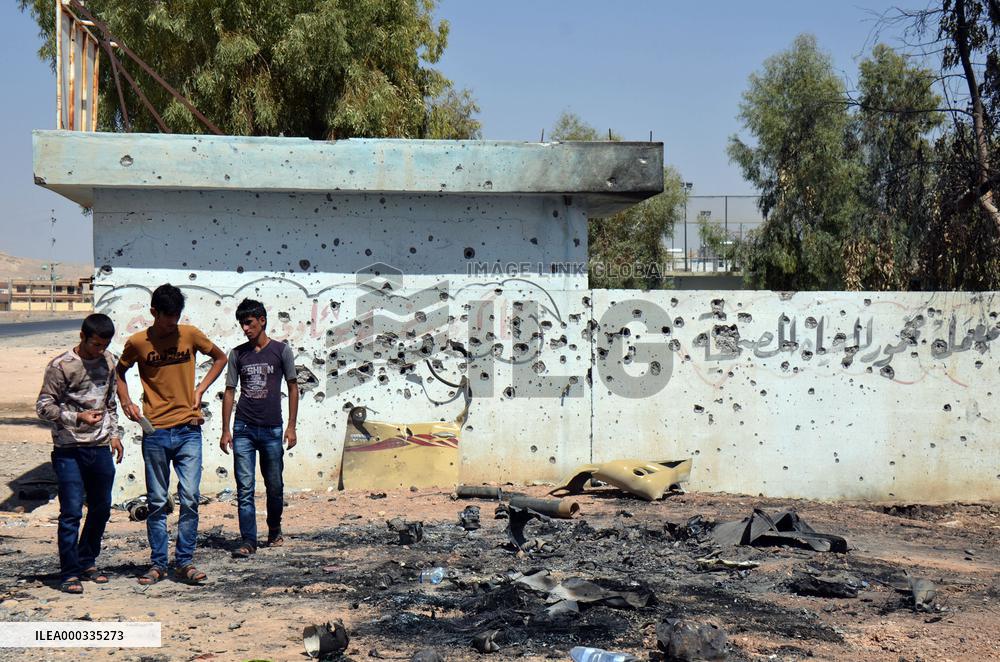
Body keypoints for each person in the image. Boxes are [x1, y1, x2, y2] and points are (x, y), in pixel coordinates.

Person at [116, 284, 227, 585]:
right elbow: (119, 372)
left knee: (190, 498)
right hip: (155, 432)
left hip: (189, 429)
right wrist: (125, 401)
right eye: (167, 319)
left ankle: (185, 563)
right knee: (156, 501)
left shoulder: (189, 335)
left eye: (176, 318)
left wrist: (201, 389)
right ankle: (157, 565)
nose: (172, 325)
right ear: (154, 313)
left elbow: (220, 358)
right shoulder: (138, 343)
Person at [36, 313, 124, 594]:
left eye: (104, 345)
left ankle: (87, 560)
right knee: (71, 511)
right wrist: (78, 417)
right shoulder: (61, 366)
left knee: (101, 508)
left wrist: (115, 435)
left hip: (98, 447)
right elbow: (42, 406)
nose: (100, 351)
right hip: (68, 449)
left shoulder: (110, 361)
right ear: (83, 337)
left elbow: (110, 402)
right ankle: (69, 572)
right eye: (96, 345)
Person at [220, 298, 298, 557]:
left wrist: (291, 426)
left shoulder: (281, 351)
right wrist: (225, 429)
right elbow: (230, 391)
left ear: (262, 321)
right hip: (243, 428)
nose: (245, 328)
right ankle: (248, 541)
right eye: (242, 324)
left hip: (273, 429)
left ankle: (274, 527)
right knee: (245, 487)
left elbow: (293, 387)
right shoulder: (237, 354)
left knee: (274, 485)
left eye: (249, 323)